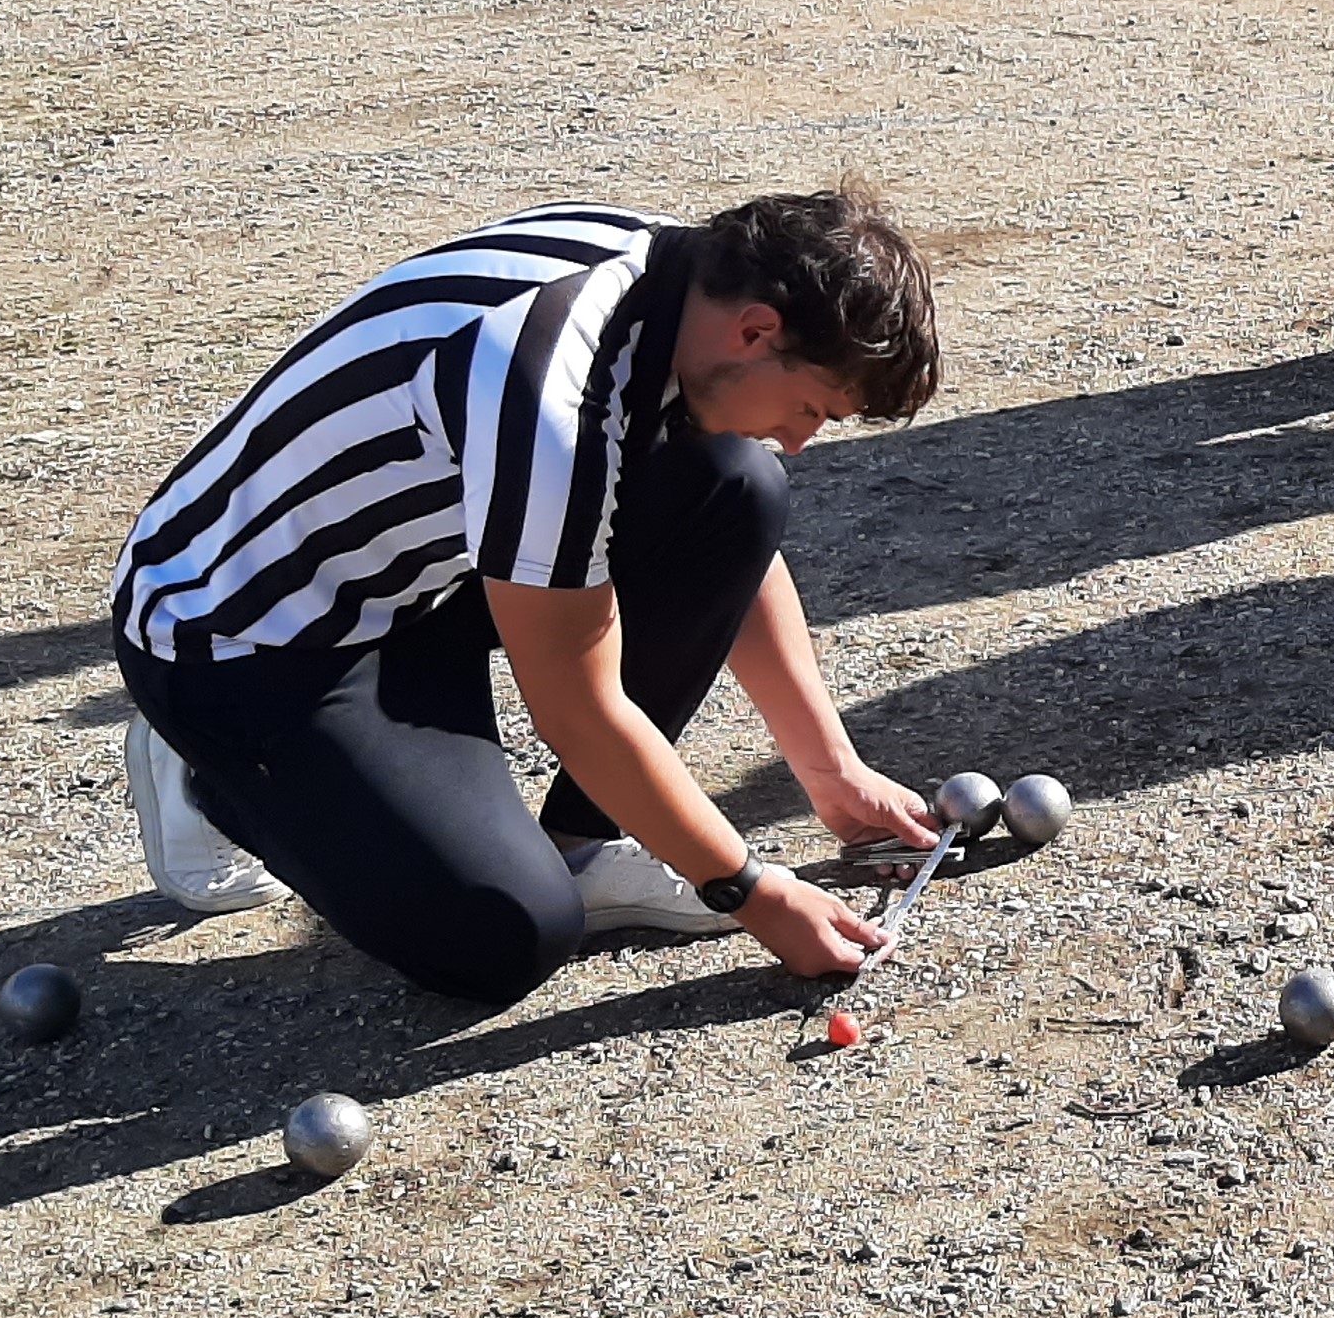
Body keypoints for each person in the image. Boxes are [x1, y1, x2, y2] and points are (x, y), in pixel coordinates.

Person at [111, 187, 946, 1005]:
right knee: (503, 938)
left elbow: (729, 547)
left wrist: (831, 773)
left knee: (739, 485)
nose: (800, 440)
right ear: (757, 330)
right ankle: (209, 774)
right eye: (810, 407)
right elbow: (577, 708)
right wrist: (753, 893)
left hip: (413, 584)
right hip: (240, 643)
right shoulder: (552, 397)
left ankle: (579, 845)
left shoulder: (678, 282)